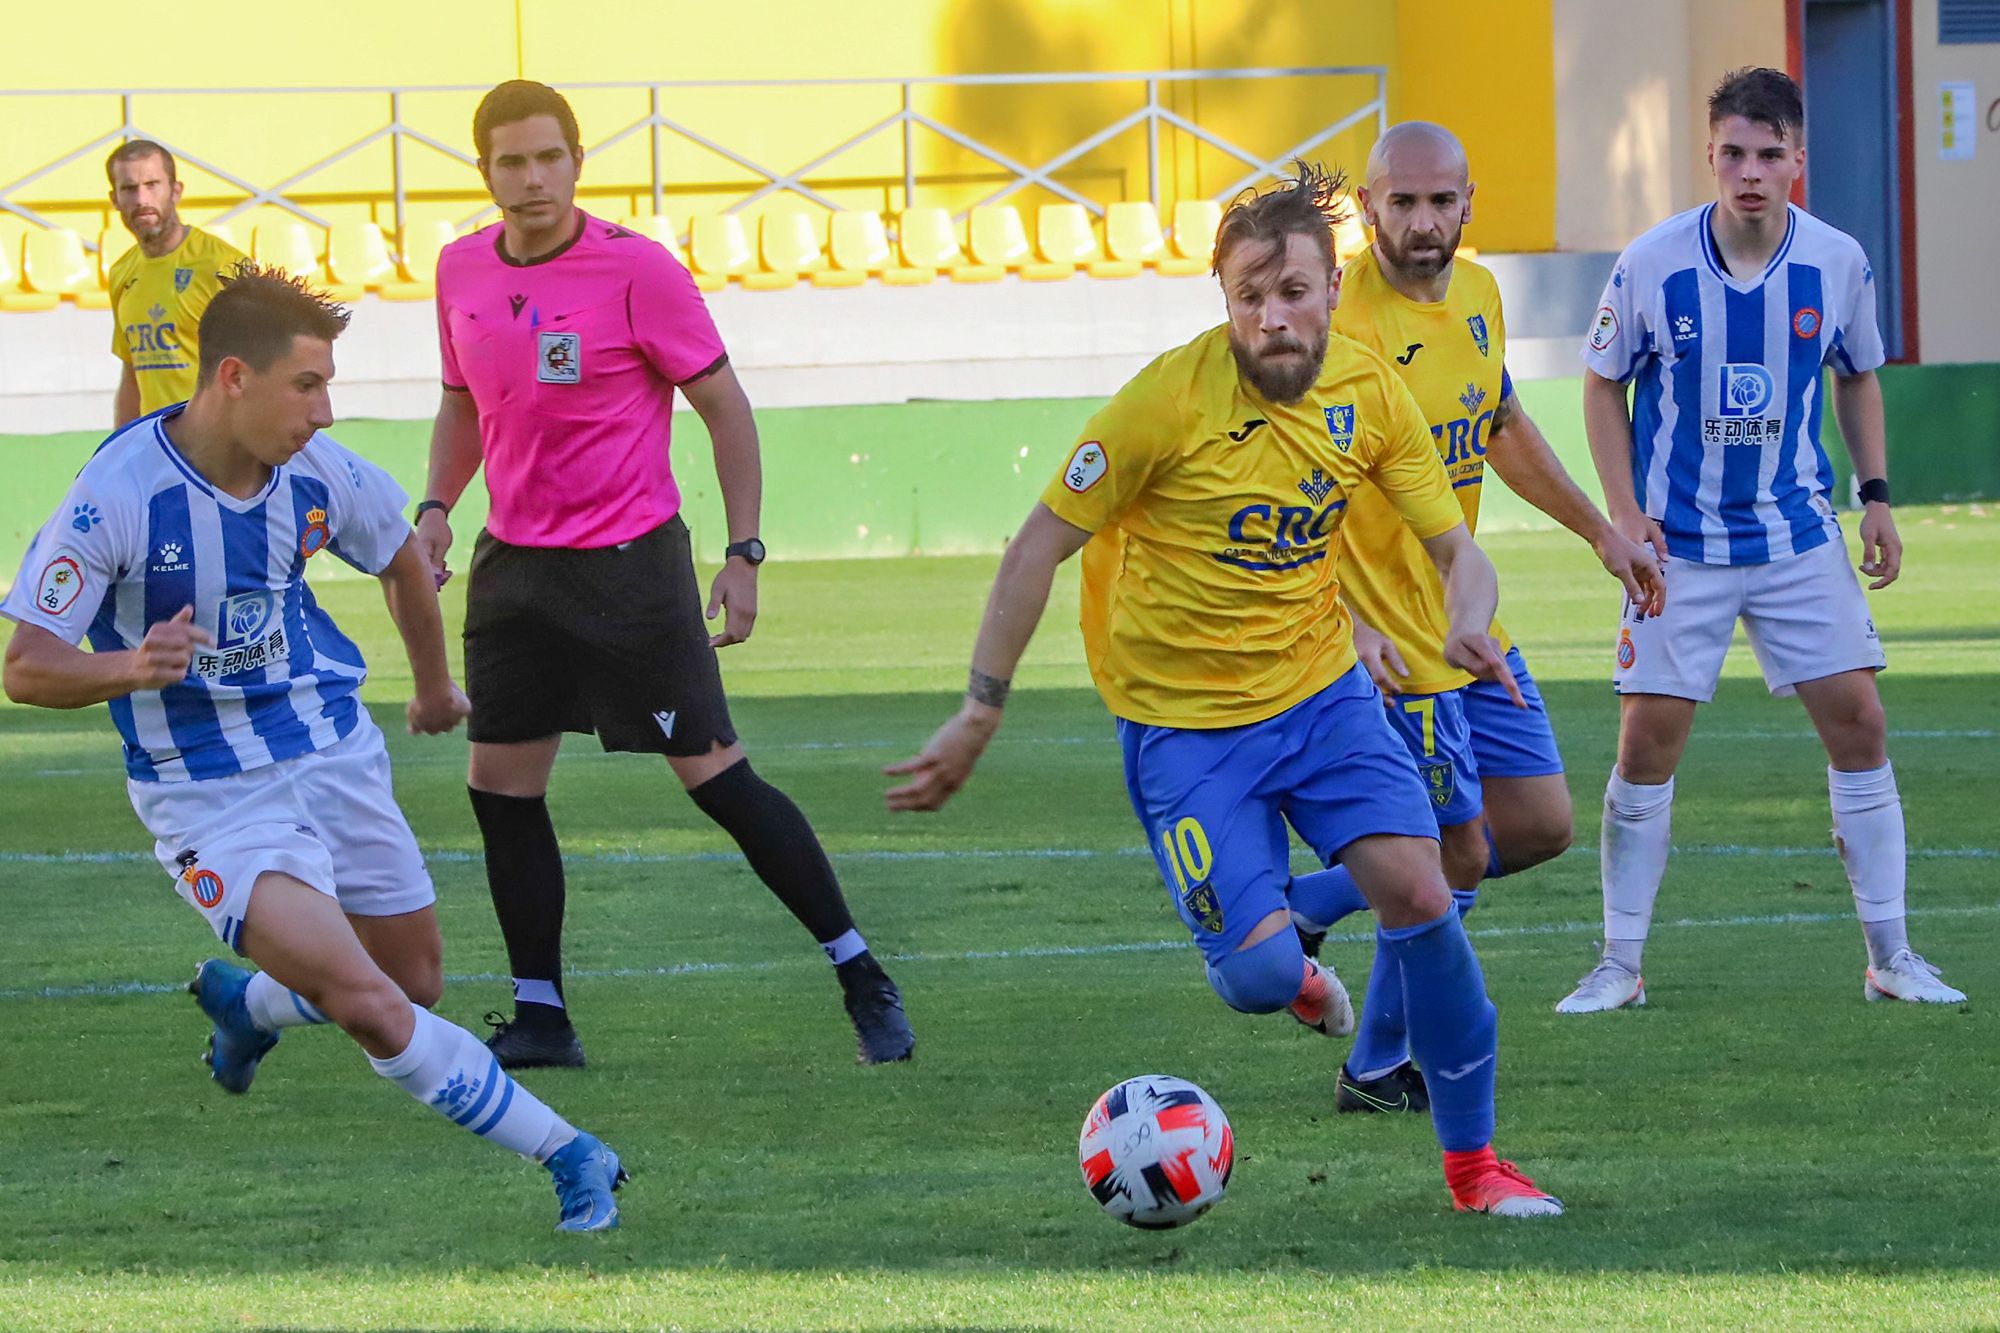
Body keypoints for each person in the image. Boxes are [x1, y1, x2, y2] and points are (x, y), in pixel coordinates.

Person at [885, 163, 1562, 1218]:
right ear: (1224, 300)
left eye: (1291, 291)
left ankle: (1475, 1171)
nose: (1271, 317)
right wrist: (980, 707)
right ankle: (1288, 971)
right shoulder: (1164, 402)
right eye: (1248, 295)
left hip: (1324, 697)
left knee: (1425, 893)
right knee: (1251, 980)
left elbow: (1451, 547)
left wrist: (1465, 613)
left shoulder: (1368, 393)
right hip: (1184, 731)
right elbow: (1032, 550)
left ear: (1332, 289)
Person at [0, 263, 629, 1232]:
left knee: (411, 980)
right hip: (209, 793)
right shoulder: (116, 497)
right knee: (374, 1007)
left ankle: (251, 1006)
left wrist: (430, 685)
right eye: (307, 385)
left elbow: (400, 558)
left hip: (331, 750)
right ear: (233, 378)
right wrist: (129, 666)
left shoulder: (316, 475)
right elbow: (27, 665)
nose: (325, 412)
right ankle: (572, 1151)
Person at [417, 80, 913, 1070]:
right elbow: (462, 401)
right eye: (510, 162)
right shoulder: (458, 270)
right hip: (513, 572)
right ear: (484, 172)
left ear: (575, 161)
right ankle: (542, 1014)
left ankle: (859, 970)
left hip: (629, 573)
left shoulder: (636, 272)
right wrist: (434, 507)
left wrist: (743, 552)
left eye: (547, 157)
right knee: (500, 789)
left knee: (718, 780)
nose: (530, 179)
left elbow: (725, 409)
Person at [1558, 67, 1965, 1012]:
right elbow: (1600, 383)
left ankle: (1891, 956)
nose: (1750, 172)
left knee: (1860, 722)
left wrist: (1876, 496)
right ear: (1710, 156)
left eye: (1769, 154)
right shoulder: (1653, 263)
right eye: (1733, 153)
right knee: (1647, 741)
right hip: (1680, 543)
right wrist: (1623, 512)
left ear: (1798, 163)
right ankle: (1620, 964)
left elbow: (1858, 374)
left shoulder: (1838, 262)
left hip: (1795, 535)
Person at [1282, 123, 1666, 1113]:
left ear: (1467, 202)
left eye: (1438, 201)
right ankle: (1372, 1067)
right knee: (1445, 856)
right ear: (1365, 210)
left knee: (1537, 824)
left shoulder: (1482, 297)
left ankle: (1313, 900)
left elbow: (1496, 424)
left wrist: (1598, 531)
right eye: (1399, 203)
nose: (1421, 222)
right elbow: (1293, 487)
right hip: (1388, 644)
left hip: (1462, 620)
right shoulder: (1336, 323)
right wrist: (1337, 623)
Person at [104, 140, 248, 425]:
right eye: (129, 189)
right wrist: (119, 447)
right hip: (159, 445)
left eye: (152, 184)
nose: (142, 199)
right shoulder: (121, 272)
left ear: (176, 191)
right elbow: (132, 374)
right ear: (115, 199)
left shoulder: (224, 266)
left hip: (221, 446)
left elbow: (265, 368)